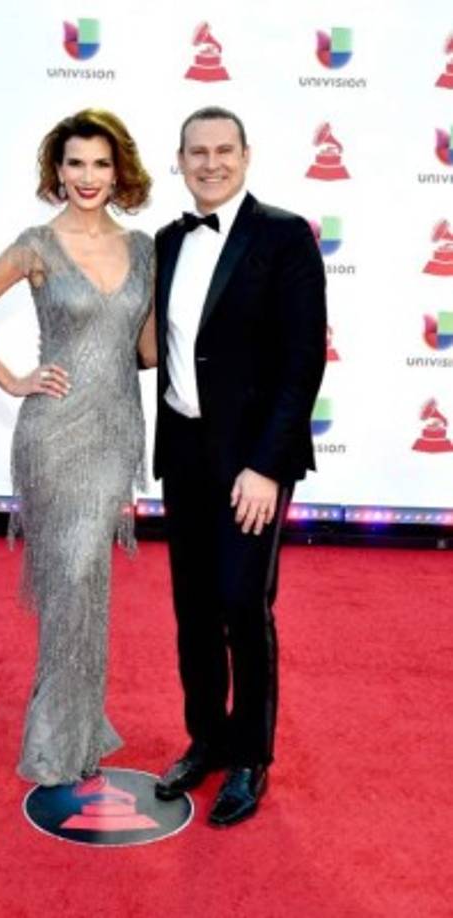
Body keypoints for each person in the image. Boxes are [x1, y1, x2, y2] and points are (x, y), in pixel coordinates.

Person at [0, 109, 155, 786]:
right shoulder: (37, 244)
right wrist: (12, 378)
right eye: (74, 163)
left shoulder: (145, 248)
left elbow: (146, 350)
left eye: (99, 163)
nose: (87, 177)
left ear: (118, 169)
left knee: (86, 586)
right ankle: (56, 743)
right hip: (54, 434)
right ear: (56, 171)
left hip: (116, 433)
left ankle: (78, 729)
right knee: (68, 581)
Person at [153, 107, 326, 827]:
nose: (211, 163)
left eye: (225, 150)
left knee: (241, 607)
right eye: (198, 152)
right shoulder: (166, 240)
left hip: (251, 464)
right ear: (181, 160)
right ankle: (207, 740)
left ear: (246, 157)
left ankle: (251, 758)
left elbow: (302, 361)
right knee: (192, 611)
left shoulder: (283, 236)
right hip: (184, 454)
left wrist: (264, 467)